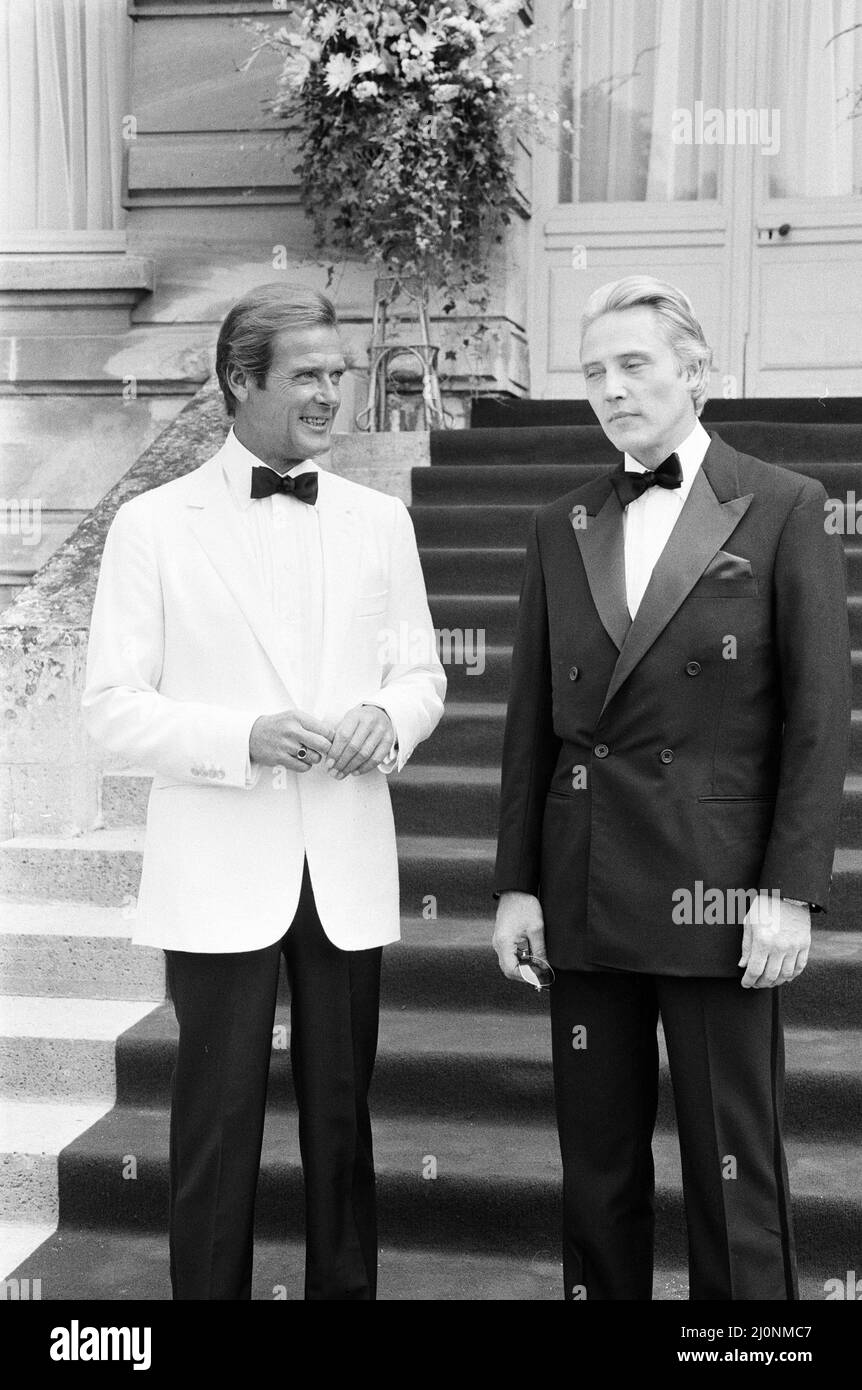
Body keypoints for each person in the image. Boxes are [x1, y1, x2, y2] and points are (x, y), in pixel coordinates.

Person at [82, 282, 446, 1301]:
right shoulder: (153, 525)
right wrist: (241, 736)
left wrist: (393, 715)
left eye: (342, 373)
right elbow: (110, 707)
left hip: (343, 862)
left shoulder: (379, 521)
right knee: (214, 1128)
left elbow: (421, 673)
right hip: (217, 872)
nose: (334, 394)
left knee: (343, 1122)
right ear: (239, 381)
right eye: (309, 377)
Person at [492, 276, 850, 1300]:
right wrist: (517, 883)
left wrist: (787, 889)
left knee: (732, 1174)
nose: (610, 387)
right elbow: (528, 721)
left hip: (719, 891)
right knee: (595, 1169)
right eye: (593, 370)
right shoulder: (558, 522)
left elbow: (817, 718)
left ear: (695, 372)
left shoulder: (783, 504)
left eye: (633, 364)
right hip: (586, 884)